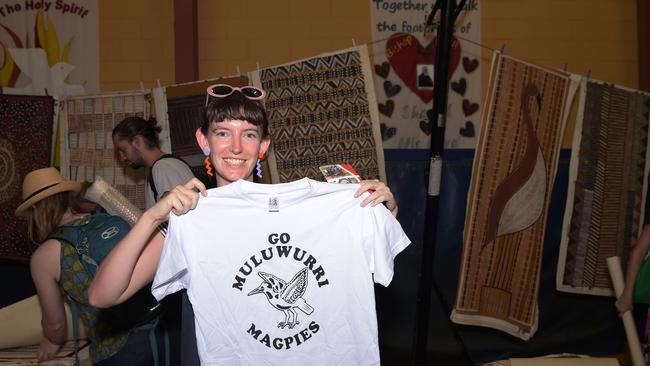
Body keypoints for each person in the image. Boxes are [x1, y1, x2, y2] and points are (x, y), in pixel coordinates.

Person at [88, 84, 400, 359]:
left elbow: (365, 261)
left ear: (263, 146)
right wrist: (152, 216)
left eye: (248, 134)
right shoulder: (192, 219)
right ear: (204, 140)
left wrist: (379, 211)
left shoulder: (315, 210)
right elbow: (102, 295)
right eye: (223, 133)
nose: (236, 147)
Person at [15, 167, 163, 365]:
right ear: (68, 197)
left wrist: (50, 342)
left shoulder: (43, 257)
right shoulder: (107, 219)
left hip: (117, 351)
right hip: (163, 330)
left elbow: (56, 324)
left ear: (35, 210)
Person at [112, 116, 195, 209]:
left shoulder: (162, 167)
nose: (122, 158)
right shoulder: (168, 164)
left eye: (123, 150)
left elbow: (173, 216)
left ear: (137, 142)